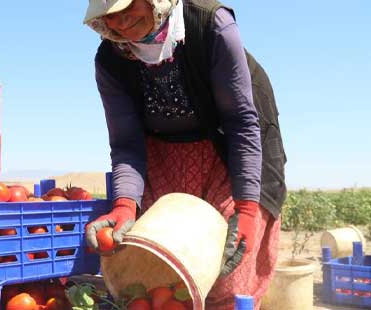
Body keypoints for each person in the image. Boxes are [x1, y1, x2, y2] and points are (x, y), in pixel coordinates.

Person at [82, 0, 287, 308]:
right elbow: (126, 143)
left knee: (227, 266)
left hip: (231, 146)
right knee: (165, 259)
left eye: (129, 6)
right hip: (165, 156)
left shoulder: (210, 25)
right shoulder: (111, 60)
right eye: (110, 15)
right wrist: (125, 206)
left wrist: (246, 209)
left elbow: (240, 123)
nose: (121, 22)